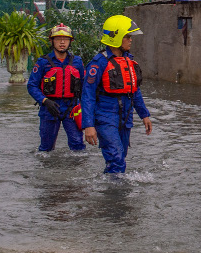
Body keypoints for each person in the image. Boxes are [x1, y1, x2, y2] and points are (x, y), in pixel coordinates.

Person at [80, 15, 153, 174]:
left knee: (121, 157)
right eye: (127, 37)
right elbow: (87, 96)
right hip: (106, 116)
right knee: (116, 158)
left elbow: (134, 90)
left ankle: (113, 189)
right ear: (116, 37)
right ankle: (114, 196)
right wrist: (88, 125)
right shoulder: (99, 63)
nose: (130, 40)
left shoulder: (129, 61)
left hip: (125, 116)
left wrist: (144, 115)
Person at [27, 23, 86, 152]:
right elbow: (32, 85)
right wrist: (45, 101)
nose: (62, 42)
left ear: (70, 41)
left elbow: (85, 86)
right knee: (46, 148)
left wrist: (86, 109)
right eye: (58, 39)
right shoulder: (43, 62)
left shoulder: (77, 62)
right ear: (52, 41)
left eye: (65, 39)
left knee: (78, 145)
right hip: (49, 107)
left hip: (71, 108)